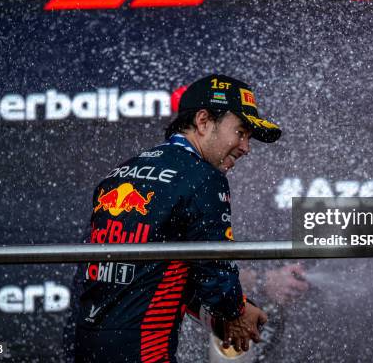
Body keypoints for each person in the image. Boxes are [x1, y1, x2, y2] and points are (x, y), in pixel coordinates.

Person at [73, 74, 282, 363]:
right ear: (204, 121)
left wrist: (233, 309)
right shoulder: (203, 177)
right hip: (144, 352)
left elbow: (153, 274)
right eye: (241, 132)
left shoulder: (120, 172)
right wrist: (236, 312)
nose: (246, 147)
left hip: (86, 344)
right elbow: (214, 269)